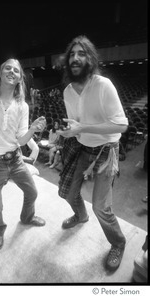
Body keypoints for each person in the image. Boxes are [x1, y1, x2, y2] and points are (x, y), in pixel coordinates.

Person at [57, 35, 128, 272]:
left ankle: (118, 242)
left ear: (90, 58)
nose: (75, 58)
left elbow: (121, 126)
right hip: (82, 148)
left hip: (107, 151)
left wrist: (82, 128)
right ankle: (80, 215)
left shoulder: (103, 85)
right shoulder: (67, 91)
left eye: (81, 53)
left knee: (102, 207)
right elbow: (76, 125)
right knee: (67, 192)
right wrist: (67, 133)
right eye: (72, 54)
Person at [0, 58, 46, 251]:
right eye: (8, 68)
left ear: (20, 78)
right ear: (0, 74)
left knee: (32, 191)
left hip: (15, 159)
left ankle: (27, 217)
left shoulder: (23, 106)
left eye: (16, 70)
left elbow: (21, 140)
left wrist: (32, 129)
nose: (12, 71)